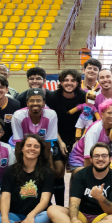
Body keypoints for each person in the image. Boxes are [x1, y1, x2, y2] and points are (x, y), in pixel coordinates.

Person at [48, 142, 112, 223]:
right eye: (96, 156)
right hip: (81, 214)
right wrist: (74, 219)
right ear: (91, 159)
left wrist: (100, 198)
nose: (100, 159)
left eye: (104, 156)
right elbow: (74, 201)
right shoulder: (81, 174)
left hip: (101, 218)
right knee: (52, 209)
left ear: (110, 159)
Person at [46, 68, 86, 206]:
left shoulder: (84, 97)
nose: (69, 83)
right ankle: (59, 207)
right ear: (61, 82)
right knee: (58, 171)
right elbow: (51, 123)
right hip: (57, 137)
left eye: (72, 80)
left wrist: (78, 141)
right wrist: (61, 142)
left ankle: (74, 207)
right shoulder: (52, 97)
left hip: (78, 138)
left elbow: (88, 121)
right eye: (66, 80)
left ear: (77, 82)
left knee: (77, 173)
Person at [67, 100, 112, 173]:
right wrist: (90, 175)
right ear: (102, 114)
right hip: (80, 161)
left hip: (100, 160)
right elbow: (87, 156)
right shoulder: (94, 129)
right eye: (109, 113)